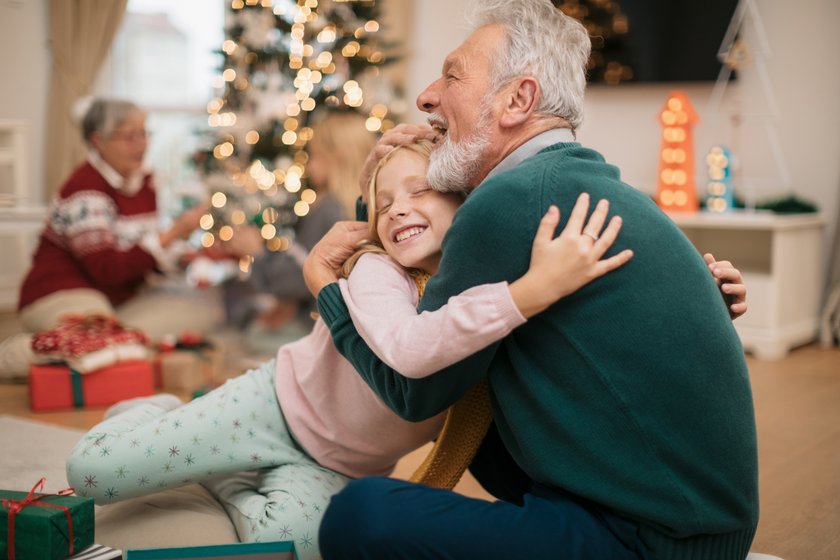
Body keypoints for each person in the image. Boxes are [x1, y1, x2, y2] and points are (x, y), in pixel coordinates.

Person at [304, 1, 758, 558]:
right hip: (694, 523)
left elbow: (410, 389)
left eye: (451, 75)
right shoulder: (578, 182)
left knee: (359, 514)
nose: (426, 97)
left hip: (651, 539)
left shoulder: (509, 204)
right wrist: (376, 193)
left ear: (518, 100)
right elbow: (426, 264)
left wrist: (328, 287)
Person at [66, 139, 632, 560]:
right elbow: (411, 346)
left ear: (466, 202)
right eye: (383, 204)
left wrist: (706, 287)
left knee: (290, 546)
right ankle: (160, 414)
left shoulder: (482, 293)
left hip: (342, 467)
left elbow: (578, 322)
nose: (398, 209)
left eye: (419, 191)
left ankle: (230, 476)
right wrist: (529, 292)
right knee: (91, 471)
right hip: (273, 408)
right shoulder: (375, 271)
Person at [0, 98, 221, 380]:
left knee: (203, 308)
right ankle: (15, 356)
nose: (142, 144)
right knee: (96, 340)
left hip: (119, 301)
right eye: (130, 136)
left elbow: (142, 255)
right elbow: (107, 269)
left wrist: (188, 255)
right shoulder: (86, 189)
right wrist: (170, 235)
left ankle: (116, 343)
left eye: (144, 133)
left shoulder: (144, 181)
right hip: (63, 292)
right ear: (98, 140)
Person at [222, 112, 377, 353]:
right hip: (349, 325)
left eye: (315, 157)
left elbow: (298, 276)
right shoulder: (366, 205)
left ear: (337, 158)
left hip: (322, 327)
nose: (309, 164)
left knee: (252, 337)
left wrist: (256, 253)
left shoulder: (328, 208)